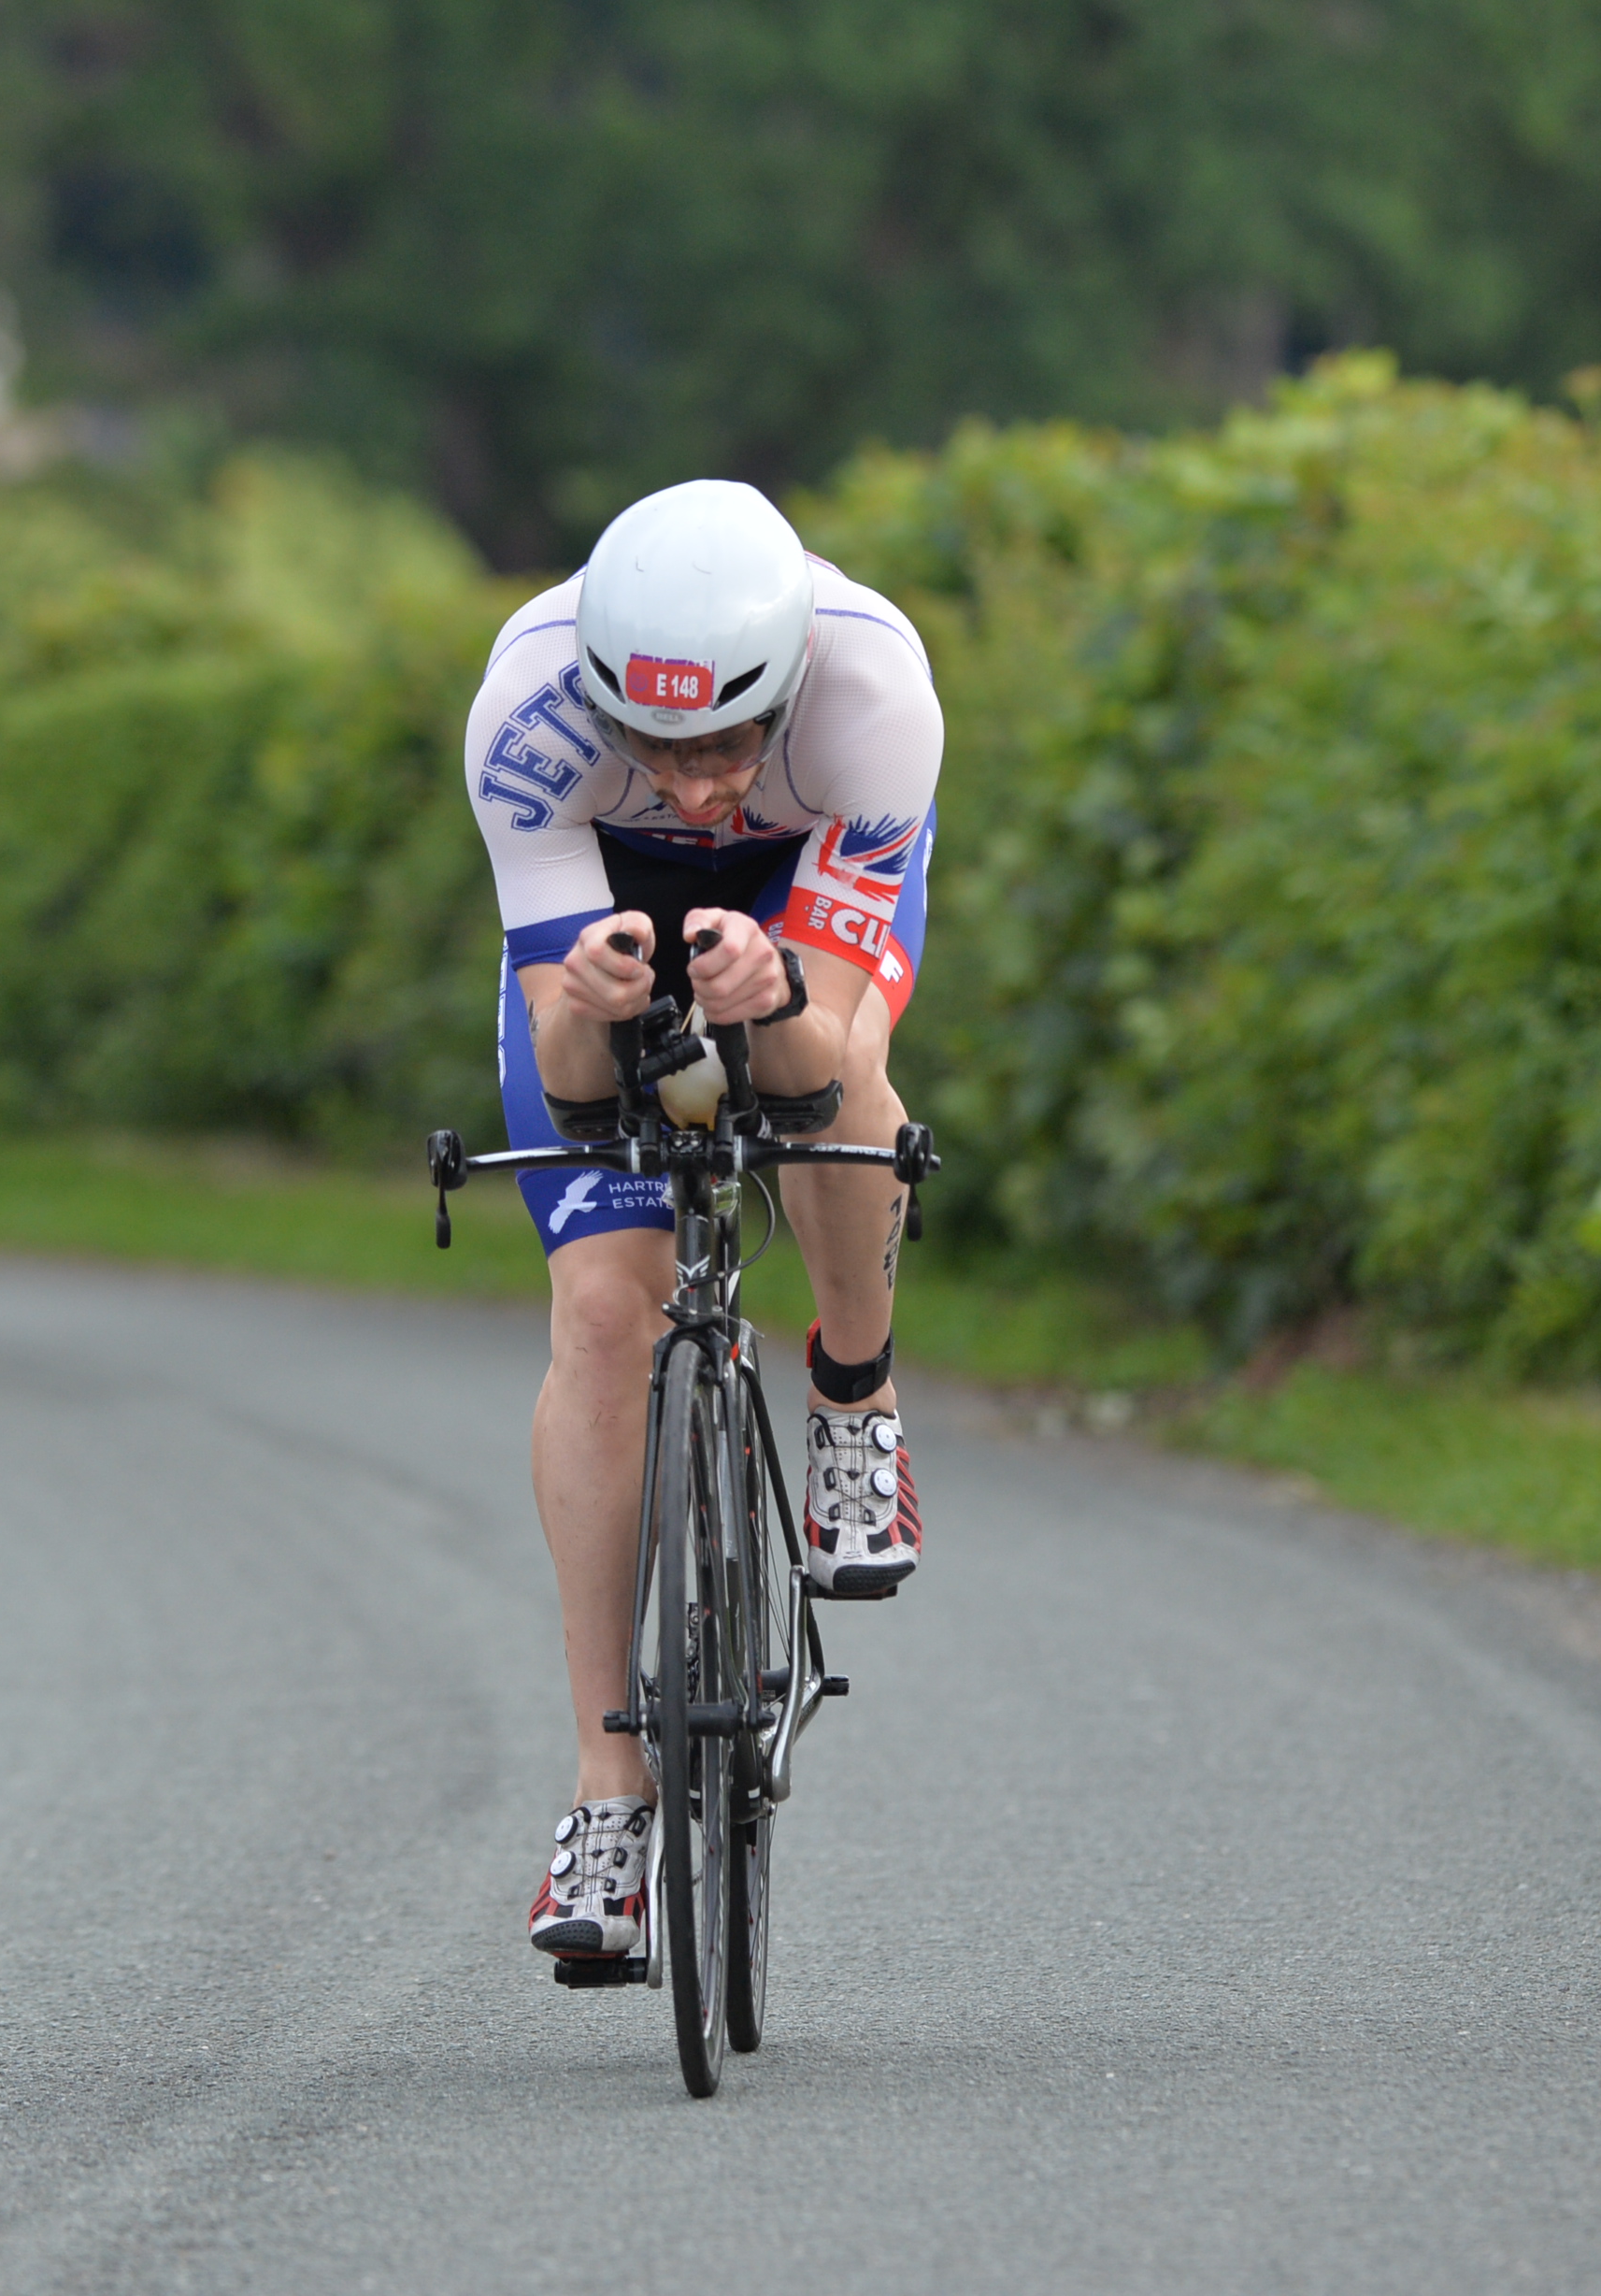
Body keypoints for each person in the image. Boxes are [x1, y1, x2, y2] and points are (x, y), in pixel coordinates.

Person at [465, 479, 941, 1959]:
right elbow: (569, 1084)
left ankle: (854, 1395)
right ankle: (607, 1784)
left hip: (801, 899)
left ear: (787, 687)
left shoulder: (873, 696)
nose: (692, 786)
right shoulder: (529, 715)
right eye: (656, 746)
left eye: (730, 742)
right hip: (605, 913)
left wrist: (778, 991)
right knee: (606, 1312)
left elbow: (821, 1065)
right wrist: (592, 1005)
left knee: (842, 1091)